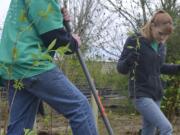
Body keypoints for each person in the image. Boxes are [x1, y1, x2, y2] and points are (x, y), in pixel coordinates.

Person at [0, 0, 98, 135]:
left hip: (11, 66)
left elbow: (39, 25)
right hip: (31, 63)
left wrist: (57, 17)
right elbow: (54, 37)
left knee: (20, 127)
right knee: (80, 108)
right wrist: (73, 42)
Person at [117, 10, 180, 135]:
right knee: (166, 128)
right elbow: (120, 68)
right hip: (140, 93)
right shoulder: (135, 40)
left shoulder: (162, 45)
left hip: (156, 94)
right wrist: (129, 60)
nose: (162, 38)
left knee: (148, 131)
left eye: (166, 36)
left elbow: (158, 67)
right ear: (152, 26)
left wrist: (177, 68)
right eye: (160, 34)